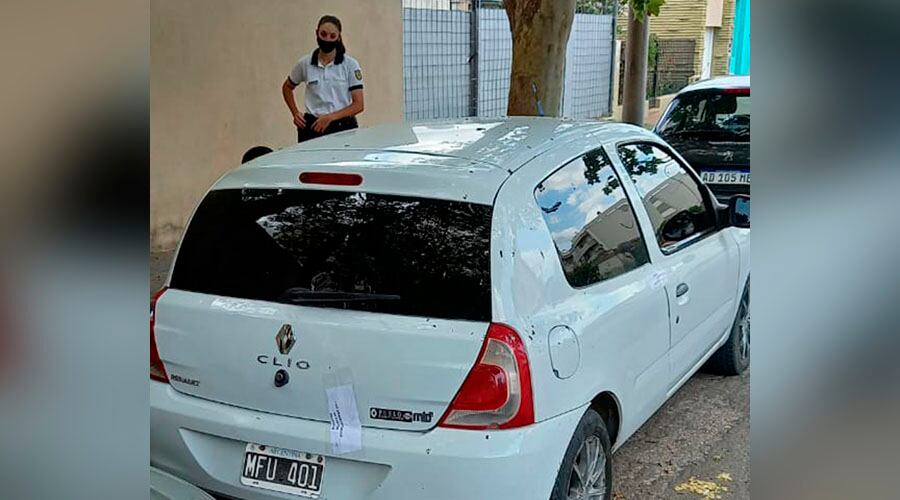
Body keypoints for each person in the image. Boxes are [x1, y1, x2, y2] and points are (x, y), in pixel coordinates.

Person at [281, 15, 365, 143]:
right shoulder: (305, 63)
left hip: (343, 128)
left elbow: (358, 105)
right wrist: (295, 113)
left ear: (339, 37)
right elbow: (287, 87)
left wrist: (330, 118)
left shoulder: (350, 65)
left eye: (332, 36)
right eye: (323, 34)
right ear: (316, 33)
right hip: (312, 128)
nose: (327, 39)